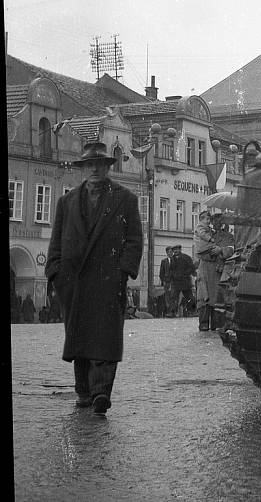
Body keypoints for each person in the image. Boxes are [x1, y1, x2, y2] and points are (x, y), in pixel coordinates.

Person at [44, 141, 143, 414]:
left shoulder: (125, 199)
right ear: (83, 169)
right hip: (73, 280)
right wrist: (55, 271)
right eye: (89, 165)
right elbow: (56, 240)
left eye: (100, 165)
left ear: (107, 168)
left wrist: (123, 271)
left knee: (105, 337)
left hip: (108, 279)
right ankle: (84, 392)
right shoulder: (67, 201)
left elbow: (134, 239)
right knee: (79, 337)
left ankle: (101, 392)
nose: (95, 169)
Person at [194, 211, 235, 331]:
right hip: (204, 266)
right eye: (214, 221)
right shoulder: (206, 232)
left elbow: (232, 249)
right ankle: (203, 323)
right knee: (203, 296)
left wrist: (221, 250)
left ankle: (216, 324)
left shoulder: (228, 236)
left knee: (217, 297)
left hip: (218, 269)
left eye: (220, 221)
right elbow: (198, 245)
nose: (216, 223)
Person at [169, 244, 196, 316]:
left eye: (177, 249)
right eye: (174, 250)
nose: (175, 251)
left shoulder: (186, 258)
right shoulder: (172, 259)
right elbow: (171, 269)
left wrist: (184, 274)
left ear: (180, 250)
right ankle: (172, 312)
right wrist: (172, 277)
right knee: (173, 297)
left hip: (185, 281)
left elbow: (191, 268)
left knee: (189, 297)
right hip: (176, 282)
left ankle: (192, 311)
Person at [159, 246, 174, 317]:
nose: (170, 253)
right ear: (166, 253)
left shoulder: (176, 260)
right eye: (168, 252)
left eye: (171, 252)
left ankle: (173, 312)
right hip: (167, 282)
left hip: (174, 282)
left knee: (174, 297)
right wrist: (163, 281)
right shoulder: (164, 261)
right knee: (167, 297)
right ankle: (169, 311)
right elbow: (161, 273)